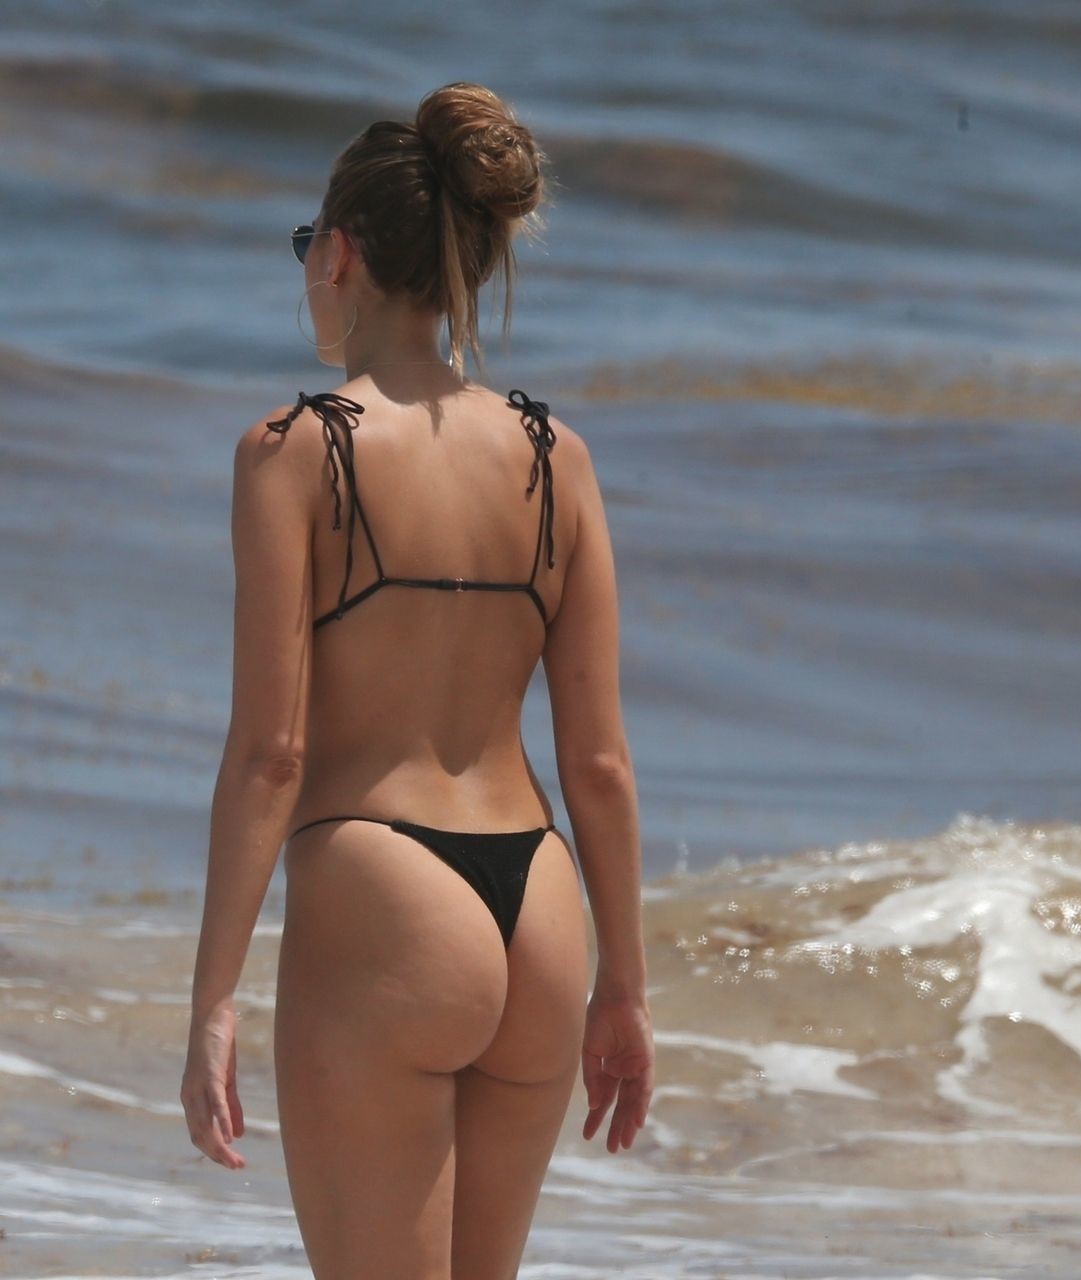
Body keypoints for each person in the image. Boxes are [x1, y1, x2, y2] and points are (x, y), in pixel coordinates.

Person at [179, 82, 655, 1276]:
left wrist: (213, 997)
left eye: (308, 244)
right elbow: (600, 763)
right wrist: (625, 988)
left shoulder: (294, 452)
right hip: (541, 904)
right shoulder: (558, 458)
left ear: (339, 254)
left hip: (385, 896)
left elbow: (272, 753)